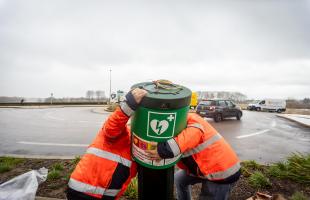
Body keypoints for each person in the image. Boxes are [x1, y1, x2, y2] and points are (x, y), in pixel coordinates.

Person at [66, 88, 147, 200]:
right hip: (83, 192)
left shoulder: (141, 144)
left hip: (105, 195)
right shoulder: (122, 132)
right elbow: (112, 127)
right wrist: (129, 104)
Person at [146, 112, 241, 200]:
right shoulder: (179, 121)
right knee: (179, 179)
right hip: (204, 167)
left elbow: (191, 136)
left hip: (222, 172)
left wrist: (162, 151)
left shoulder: (190, 119)